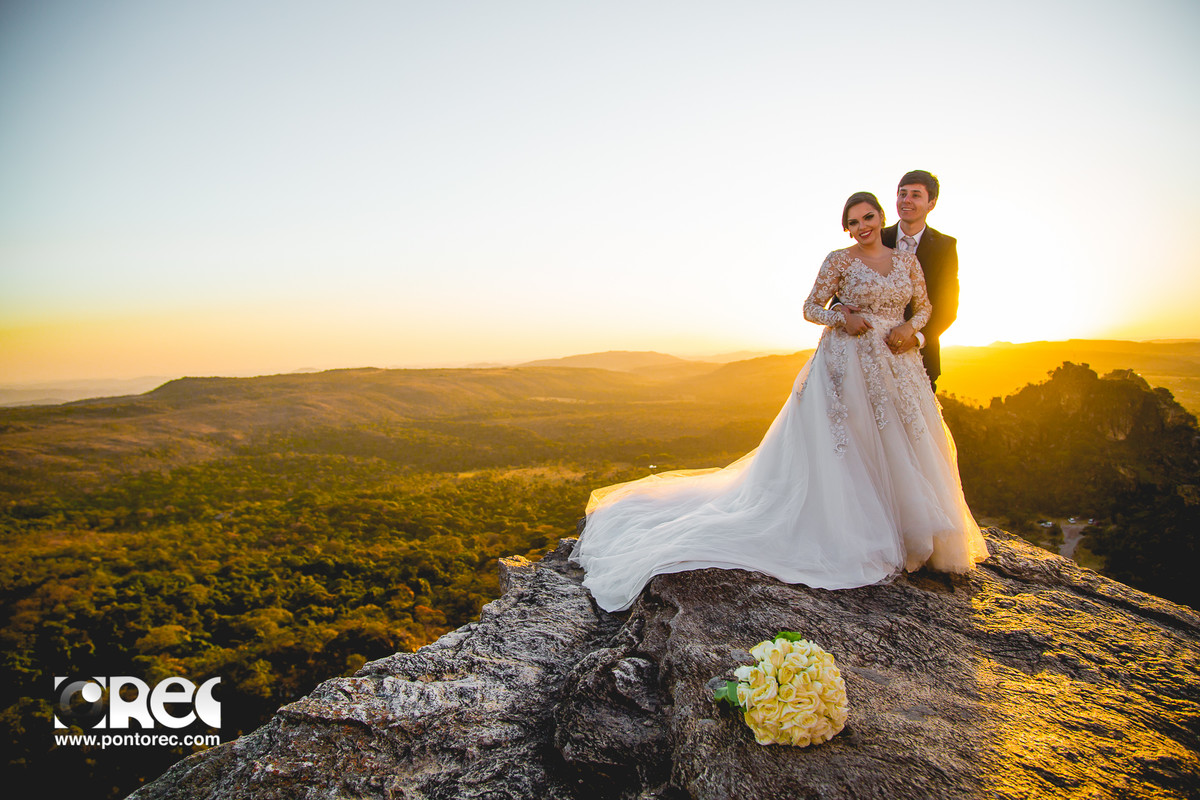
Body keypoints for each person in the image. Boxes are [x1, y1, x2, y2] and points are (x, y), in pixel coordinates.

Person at [570, 192, 988, 613]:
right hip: (847, 363)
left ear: (880, 217)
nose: (862, 226)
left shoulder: (906, 261)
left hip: (898, 364)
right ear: (847, 229)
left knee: (903, 440)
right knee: (853, 445)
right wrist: (842, 317)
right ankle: (854, 532)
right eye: (853, 222)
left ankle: (911, 530)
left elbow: (926, 307)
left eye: (867, 217)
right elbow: (810, 307)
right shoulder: (839, 261)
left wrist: (909, 330)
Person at [878, 170, 958, 391]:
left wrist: (916, 338)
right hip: (871, 357)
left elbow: (947, 308)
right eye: (902, 194)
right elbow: (845, 290)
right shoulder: (876, 238)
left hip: (921, 360)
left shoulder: (945, 247)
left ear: (931, 203)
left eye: (915, 195)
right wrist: (841, 311)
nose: (906, 200)